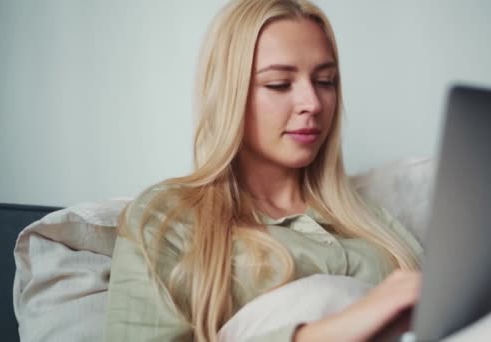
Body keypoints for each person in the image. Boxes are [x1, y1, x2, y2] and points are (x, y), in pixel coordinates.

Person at [103, 0, 423, 341]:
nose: (312, 103)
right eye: (279, 84)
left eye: (325, 81)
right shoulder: (167, 219)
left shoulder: (375, 224)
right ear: (229, 94)